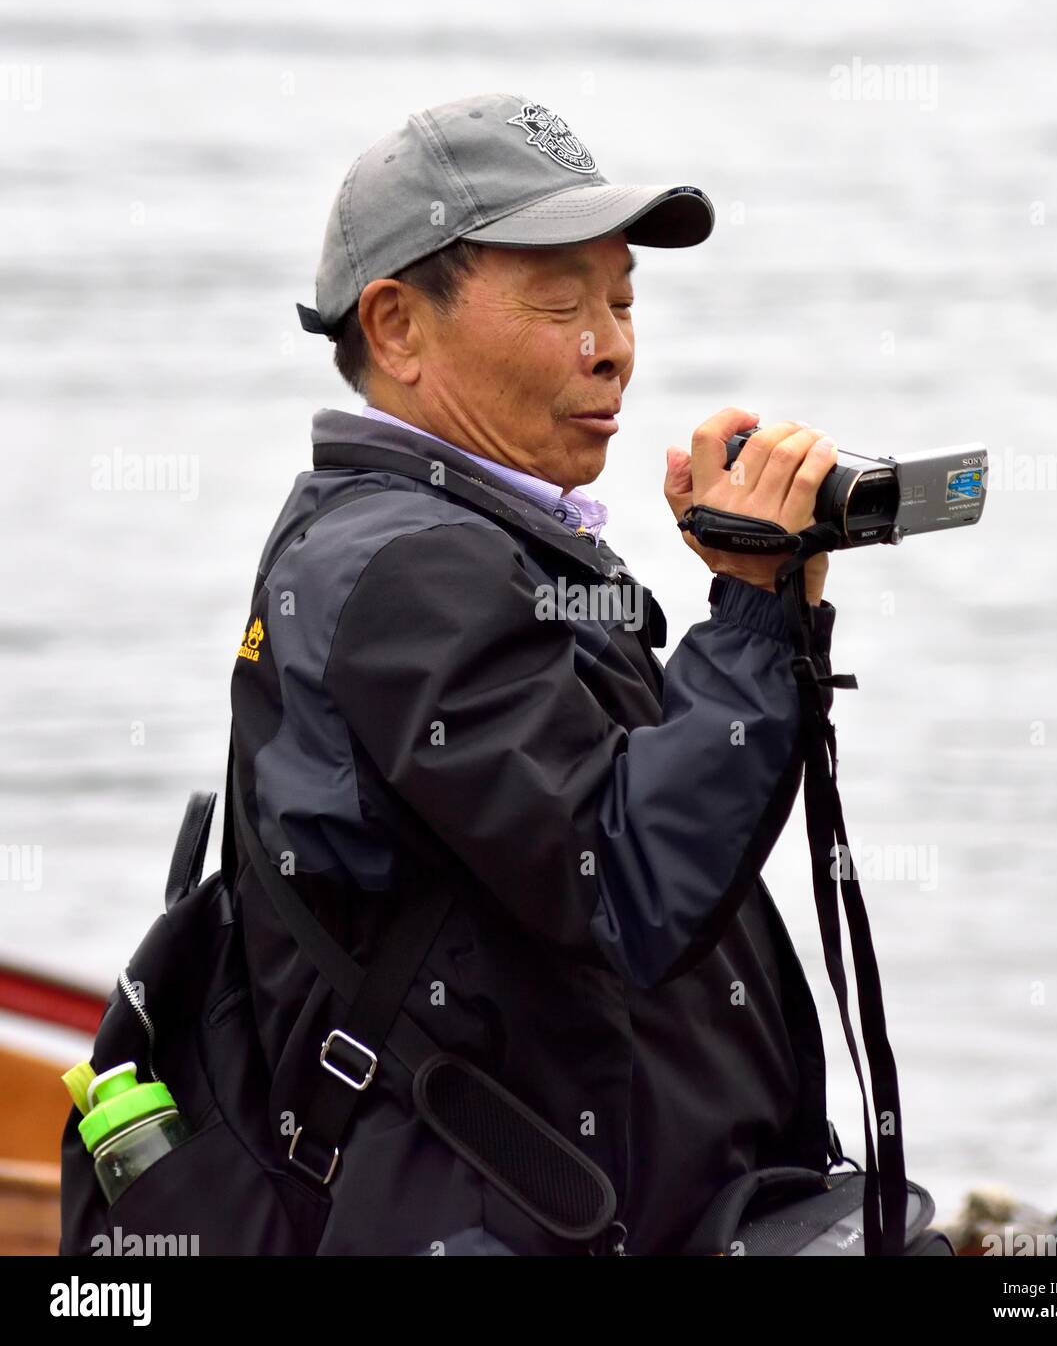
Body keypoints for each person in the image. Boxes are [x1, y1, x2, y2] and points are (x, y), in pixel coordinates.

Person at [229, 91, 842, 1255]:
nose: (609, 343)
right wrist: (752, 621)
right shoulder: (407, 567)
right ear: (398, 327)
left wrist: (751, 597)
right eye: (560, 299)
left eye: (619, 298)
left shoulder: (455, 535)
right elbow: (621, 879)